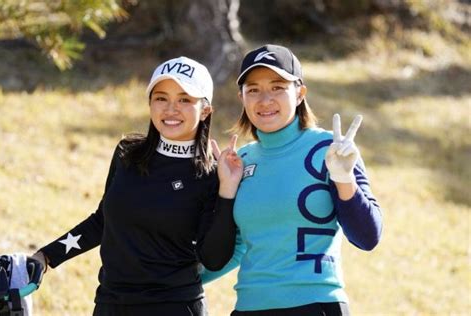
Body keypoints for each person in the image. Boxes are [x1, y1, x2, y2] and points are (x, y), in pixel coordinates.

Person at [30, 56, 244, 316]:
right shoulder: (126, 153)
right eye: (161, 98)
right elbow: (103, 221)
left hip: (174, 307)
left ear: (206, 110)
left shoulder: (212, 174)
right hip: (110, 303)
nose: (170, 109)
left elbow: (214, 258)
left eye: (184, 100)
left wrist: (226, 191)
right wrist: (46, 258)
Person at [211, 44, 383, 316]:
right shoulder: (239, 161)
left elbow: (367, 237)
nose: (264, 99)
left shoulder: (331, 148)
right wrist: (168, 285)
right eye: (253, 89)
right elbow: (237, 248)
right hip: (249, 307)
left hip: (316, 305)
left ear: (300, 93)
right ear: (242, 97)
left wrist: (343, 178)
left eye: (277, 87)